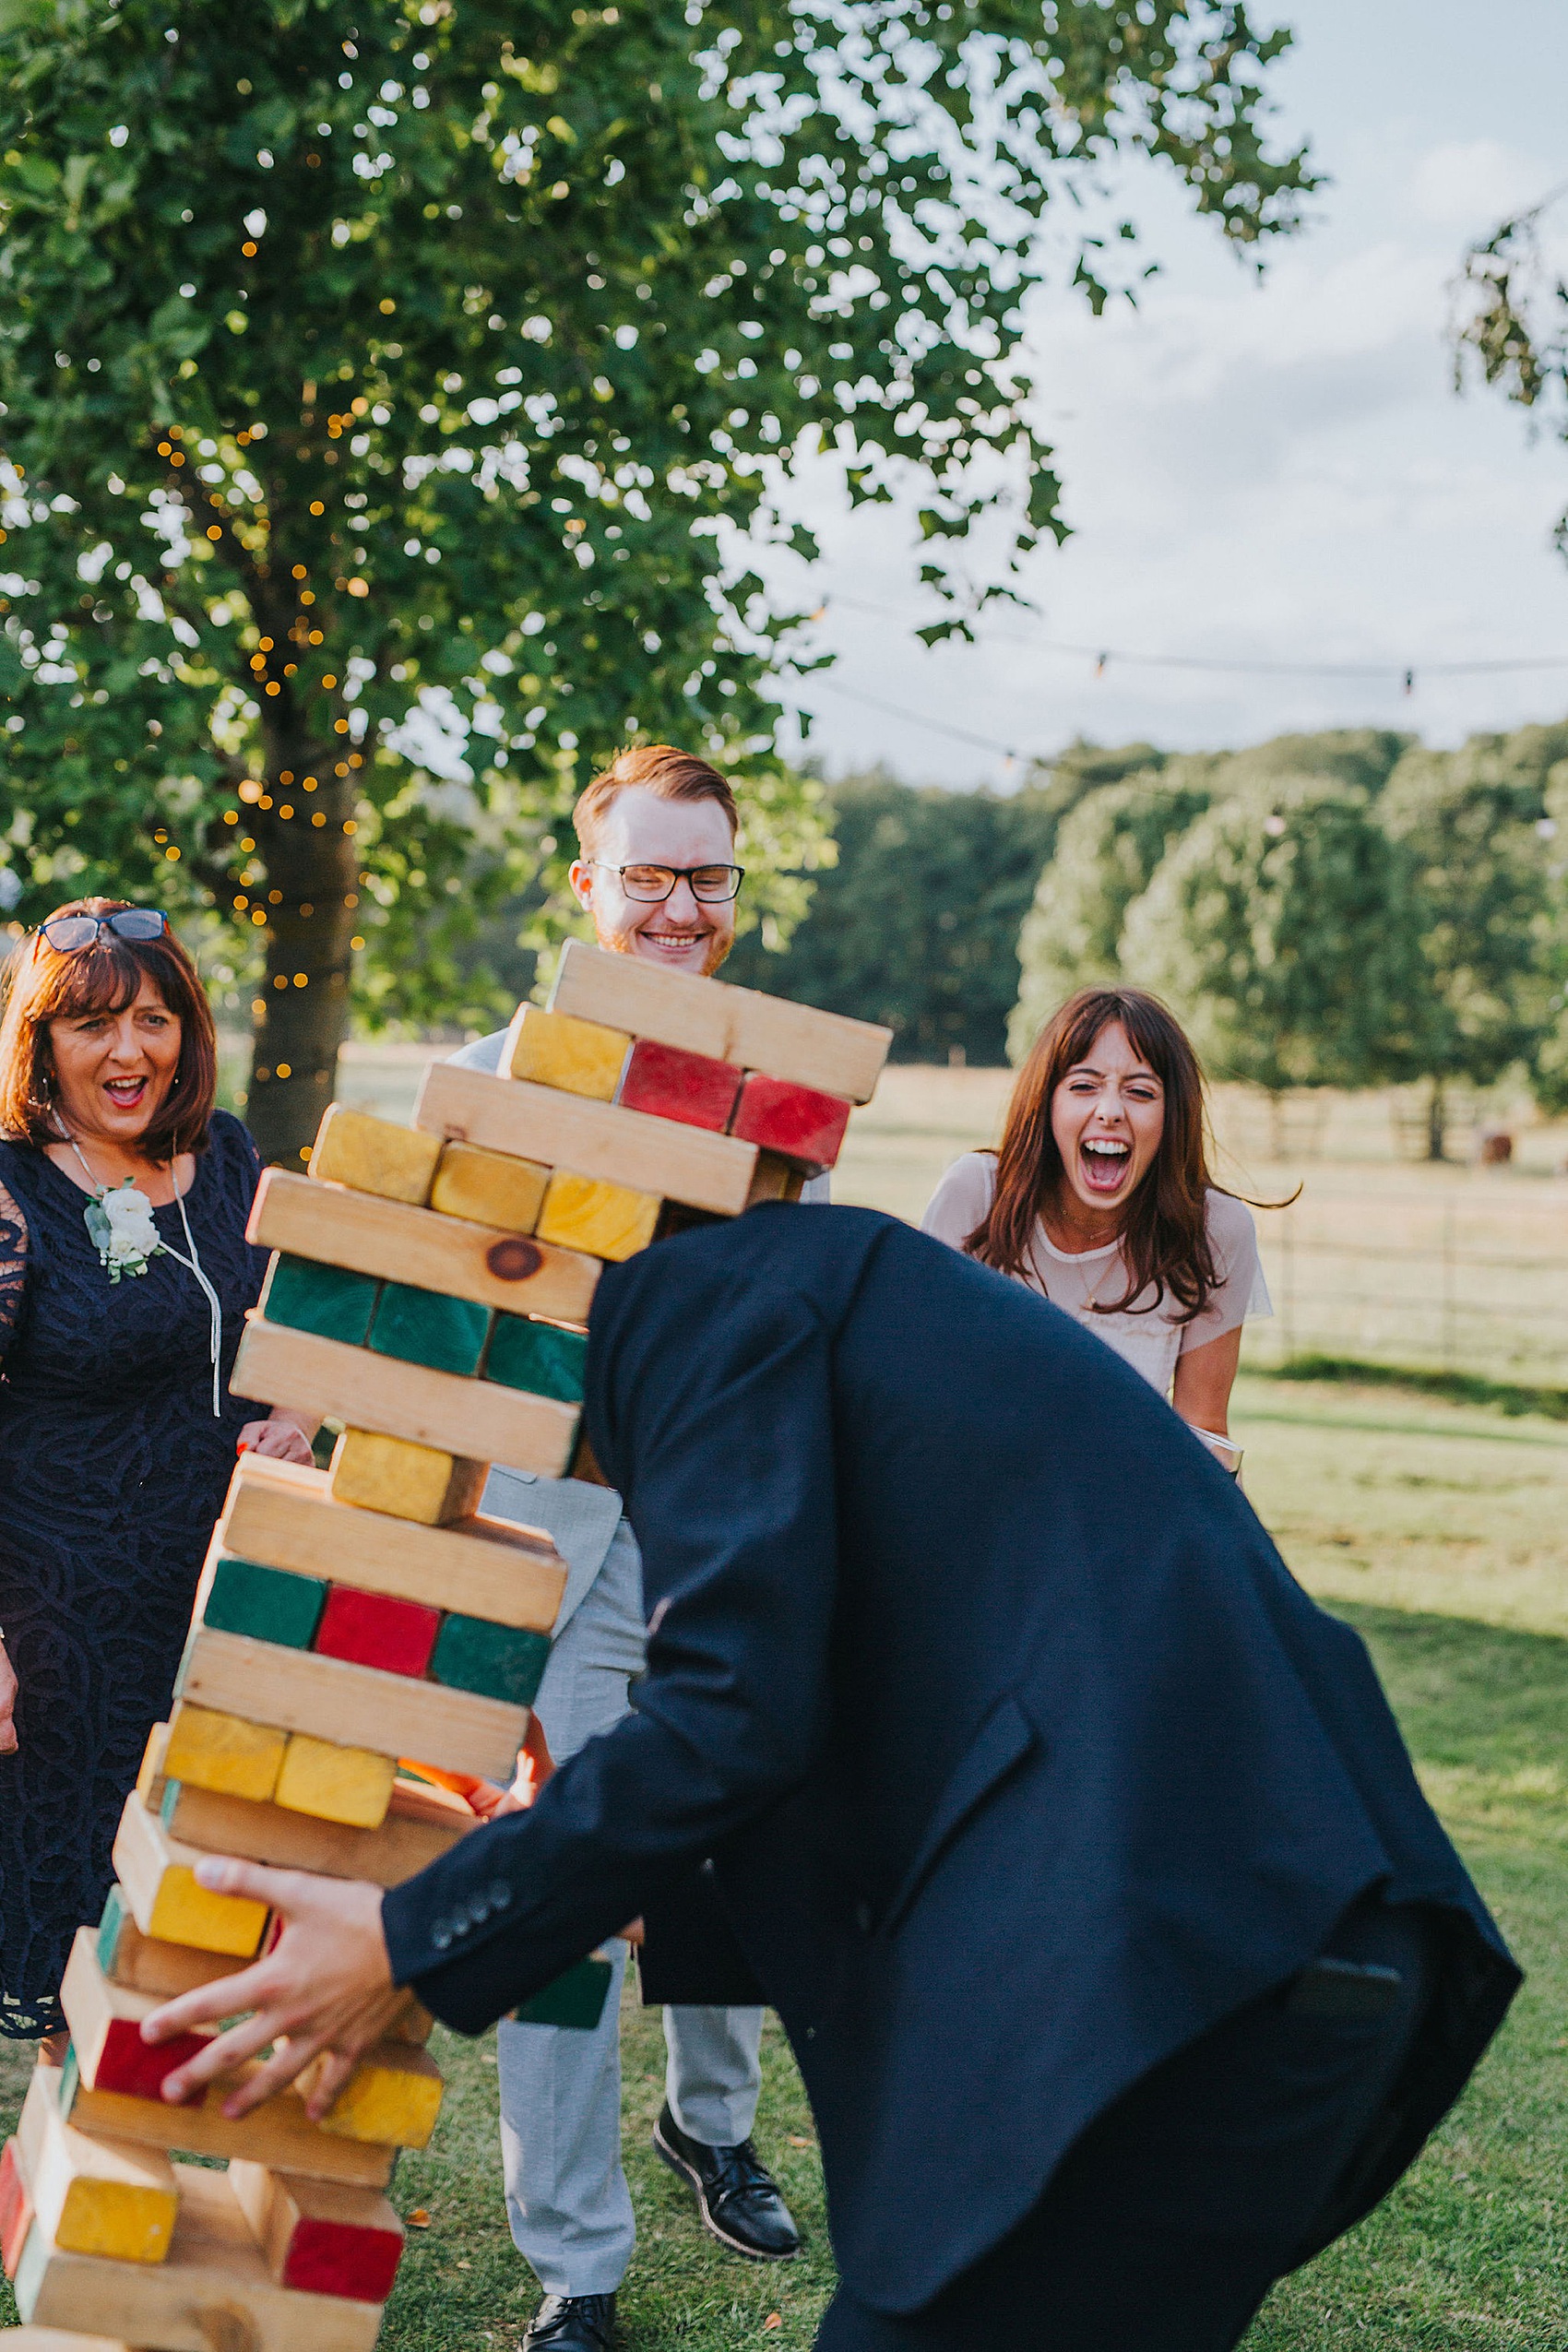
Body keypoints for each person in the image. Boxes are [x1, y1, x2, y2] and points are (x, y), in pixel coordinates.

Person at [143, 1203, 1519, 2351]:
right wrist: (619, 1890)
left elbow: (733, 1711)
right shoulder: (796, 1295)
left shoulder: (695, 1302)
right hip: (1261, 1968)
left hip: (1199, 1981)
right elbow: (850, 1727)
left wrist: (409, 1938)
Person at [445, 745, 808, 2352]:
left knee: (735, 1853)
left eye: (707, 877)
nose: (678, 903)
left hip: (726, 1540)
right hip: (556, 1545)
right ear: (586, 886)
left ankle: (713, 2126)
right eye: (649, 874)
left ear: (734, 901)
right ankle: (578, 2264)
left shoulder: (780, 1103)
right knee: (578, 1888)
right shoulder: (494, 1077)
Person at [0, 899, 314, 2042]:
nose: (128, 1052)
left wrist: (295, 1411)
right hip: (56, 1629)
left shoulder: (225, 1152)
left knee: (174, 1947)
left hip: (210, 1611)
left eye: (150, 1017)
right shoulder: (12, 1192)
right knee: (59, 1954)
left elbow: (291, 1320)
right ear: (40, 1040)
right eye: (90, 1025)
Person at [922, 985, 1273, 1468]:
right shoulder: (975, 1196)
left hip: (1120, 1517)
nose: (1110, 1111)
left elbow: (1204, 1430)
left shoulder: (1217, 1231)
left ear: (1172, 1116)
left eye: (1140, 1091)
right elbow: (920, 1389)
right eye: (1084, 1086)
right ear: (1046, 1104)